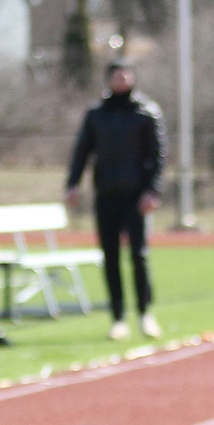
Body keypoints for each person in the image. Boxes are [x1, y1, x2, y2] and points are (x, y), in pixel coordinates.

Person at [65, 59, 165, 341]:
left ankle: (145, 313)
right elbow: (82, 151)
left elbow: (158, 156)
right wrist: (73, 184)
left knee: (138, 254)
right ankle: (118, 317)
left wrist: (152, 191)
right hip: (107, 192)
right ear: (108, 80)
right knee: (110, 256)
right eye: (116, 76)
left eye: (125, 76)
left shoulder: (146, 112)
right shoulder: (97, 114)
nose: (121, 80)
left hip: (136, 195)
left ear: (132, 78)